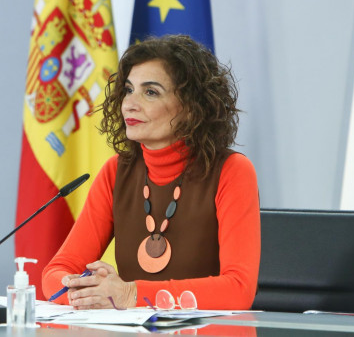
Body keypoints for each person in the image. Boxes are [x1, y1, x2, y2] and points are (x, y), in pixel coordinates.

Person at [42, 34, 260, 310]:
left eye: (151, 92)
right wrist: (88, 291)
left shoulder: (232, 171)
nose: (130, 104)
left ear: (192, 109)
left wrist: (131, 295)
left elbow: (238, 290)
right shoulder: (116, 172)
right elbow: (56, 273)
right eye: (129, 90)